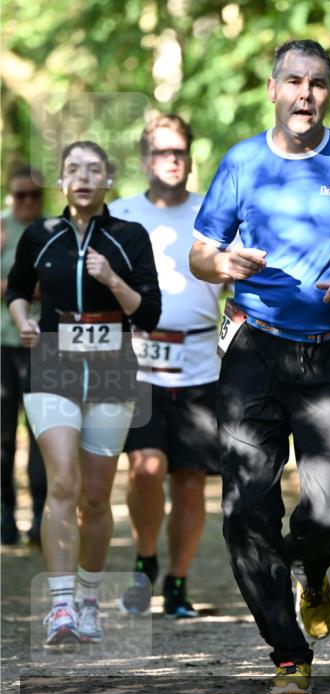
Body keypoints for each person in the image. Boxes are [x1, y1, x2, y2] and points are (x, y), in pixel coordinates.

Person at [190, 39, 330, 694]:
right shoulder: (241, 163)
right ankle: (288, 651)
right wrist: (221, 265)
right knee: (246, 503)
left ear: (327, 94)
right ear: (273, 88)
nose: (305, 94)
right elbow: (202, 251)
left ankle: (311, 571)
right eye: (294, 80)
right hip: (253, 345)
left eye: (317, 84)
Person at [6, 141, 161, 646]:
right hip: (54, 364)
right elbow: (15, 290)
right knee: (63, 483)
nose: (84, 177)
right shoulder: (40, 235)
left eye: (94, 170)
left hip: (113, 367)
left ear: (109, 181)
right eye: (74, 169)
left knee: (95, 498)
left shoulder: (128, 236)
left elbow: (149, 313)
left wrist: (112, 279)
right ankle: (60, 607)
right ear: (61, 182)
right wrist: (23, 320)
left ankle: (90, 600)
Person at [110, 115, 223, 619]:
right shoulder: (120, 214)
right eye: (161, 152)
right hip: (139, 361)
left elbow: (238, 284)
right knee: (146, 467)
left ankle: (177, 582)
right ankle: (145, 556)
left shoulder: (213, 212)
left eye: (179, 151)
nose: (171, 160)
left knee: (191, 479)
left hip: (201, 362)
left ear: (190, 157)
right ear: (144, 161)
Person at [1, 166, 47, 545]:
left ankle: (40, 517)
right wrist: (25, 288)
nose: (27, 202)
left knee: (43, 436)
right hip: (3, 347)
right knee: (3, 438)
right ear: (9, 196)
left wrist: (17, 288)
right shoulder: (1, 228)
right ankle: (5, 513)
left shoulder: (53, 231)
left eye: (34, 195)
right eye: (21, 195)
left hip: (45, 348)